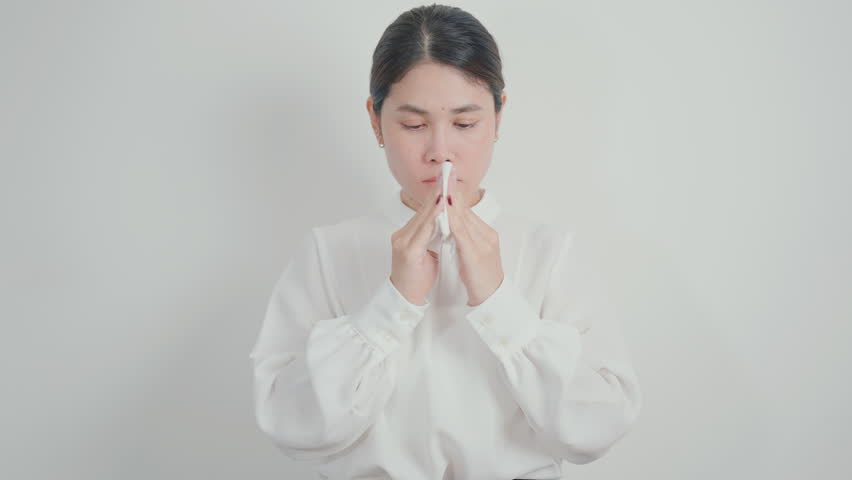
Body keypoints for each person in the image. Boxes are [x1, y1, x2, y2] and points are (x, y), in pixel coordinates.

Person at [249, 4, 642, 479]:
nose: (440, 152)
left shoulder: (550, 252)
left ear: (498, 116)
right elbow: (291, 426)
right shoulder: (328, 253)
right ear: (375, 119)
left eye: (465, 124)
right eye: (414, 125)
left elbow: (598, 427)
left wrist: (499, 302)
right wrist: (391, 304)